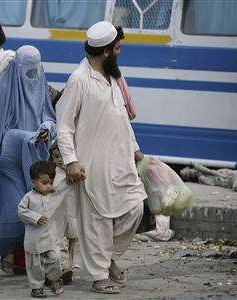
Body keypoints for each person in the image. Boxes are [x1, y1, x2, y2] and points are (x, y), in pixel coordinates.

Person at [56, 21, 147, 294]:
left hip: (121, 161)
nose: (120, 52)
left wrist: (134, 147)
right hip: (92, 163)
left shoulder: (113, 77)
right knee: (96, 221)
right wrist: (71, 160)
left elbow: (121, 118)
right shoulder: (79, 80)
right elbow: (64, 125)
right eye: (117, 48)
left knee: (135, 208)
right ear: (107, 51)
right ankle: (98, 276)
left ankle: (107, 258)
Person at [0, 45, 56, 275]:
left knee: (35, 204)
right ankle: (7, 252)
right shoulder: (4, 88)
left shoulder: (40, 83)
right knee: (15, 207)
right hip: (10, 155)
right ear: (17, 67)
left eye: (34, 68)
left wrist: (46, 128)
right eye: (26, 69)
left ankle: (23, 260)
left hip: (34, 153)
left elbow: (47, 113)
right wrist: (27, 136)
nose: (31, 74)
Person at [18, 160, 69, 298]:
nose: (48, 186)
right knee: (35, 266)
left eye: (51, 183)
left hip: (50, 238)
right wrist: (35, 218)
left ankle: (52, 279)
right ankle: (36, 287)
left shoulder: (53, 195)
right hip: (34, 240)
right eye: (44, 183)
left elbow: (63, 188)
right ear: (33, 181)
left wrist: (71, 178)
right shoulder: (28, 198)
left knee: (55, 258)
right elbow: (21, 211)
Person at [50, 141, 78, 285]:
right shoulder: (53, 175)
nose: (60, 159)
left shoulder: (76, 172)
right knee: (60, 241)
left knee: (72, 242)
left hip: (73, 214)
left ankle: (69, 267)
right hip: (58, 217)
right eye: (56, 156)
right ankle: (63, 267)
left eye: (62, 156)